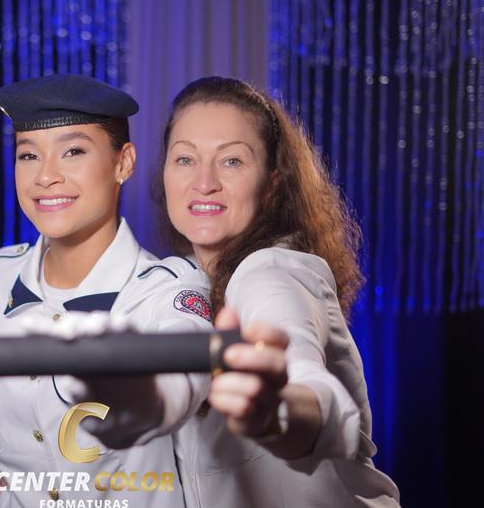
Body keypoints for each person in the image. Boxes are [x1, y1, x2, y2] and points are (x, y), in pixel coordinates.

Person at [0, 74, 213, 507]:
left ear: (124, 163)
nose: (46, 176)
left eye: (73, 152)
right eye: (28, 155)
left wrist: (149, 403)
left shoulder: (167, 290)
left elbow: (185, 369)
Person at [156, 76, 400, 506]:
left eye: (231, 161)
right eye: (185, 159)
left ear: (271, 185)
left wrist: (279, 411)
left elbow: (304, 377)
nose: (204, 181)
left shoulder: (271, 270)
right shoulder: (181, 286)